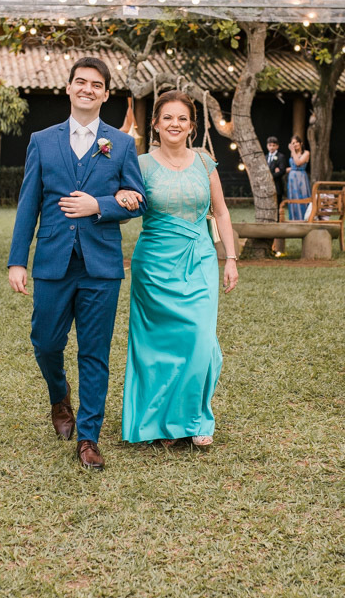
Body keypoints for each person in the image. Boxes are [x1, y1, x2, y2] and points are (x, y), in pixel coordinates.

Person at [7, 57, 145, 472]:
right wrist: (18, 261)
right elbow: (28, 203)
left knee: (95, 352)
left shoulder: (120, 144)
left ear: (105, 94)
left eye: (96, 84)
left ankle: (88, 437)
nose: (87, 89)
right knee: (45, 343)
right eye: (80, 82)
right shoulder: (42, 140)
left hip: (101, 266)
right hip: (52, 260)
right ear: (68, 88)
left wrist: (98, 205)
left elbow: (138, 199)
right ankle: (58, 395)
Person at [114, 91, 238, 448]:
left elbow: (222, 212)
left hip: (199, 260)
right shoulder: (139, 164)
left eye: (182, 118)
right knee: (155, 347)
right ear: (155, 124)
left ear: (192, 126)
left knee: (201, 342)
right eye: (167, 117)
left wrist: (229, 257)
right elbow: (124, 205)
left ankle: (196, 419)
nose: (175, 124)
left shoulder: (205, 161)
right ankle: (156, 424)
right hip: (154, 265)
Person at [285, 135, 311, 220]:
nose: (295, 144)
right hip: (292, 179)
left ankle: (304, 218)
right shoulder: (293, 153)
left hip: (301, 179)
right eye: (293, 143)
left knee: (302, 197)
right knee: (293, 198)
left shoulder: (306, 153)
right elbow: (293, 167)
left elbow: (298, 163)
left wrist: (292, 151)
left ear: (301, 143)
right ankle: (294, 218)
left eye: (296, 142)